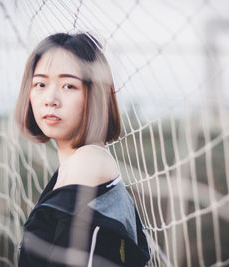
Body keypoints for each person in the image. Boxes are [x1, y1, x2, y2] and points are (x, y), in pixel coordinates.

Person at [14, 32, 150, 266]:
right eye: (40, 84)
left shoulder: (88, 162)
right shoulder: (72, 163)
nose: (51, 99)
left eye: (68, 85)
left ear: (95, 95)